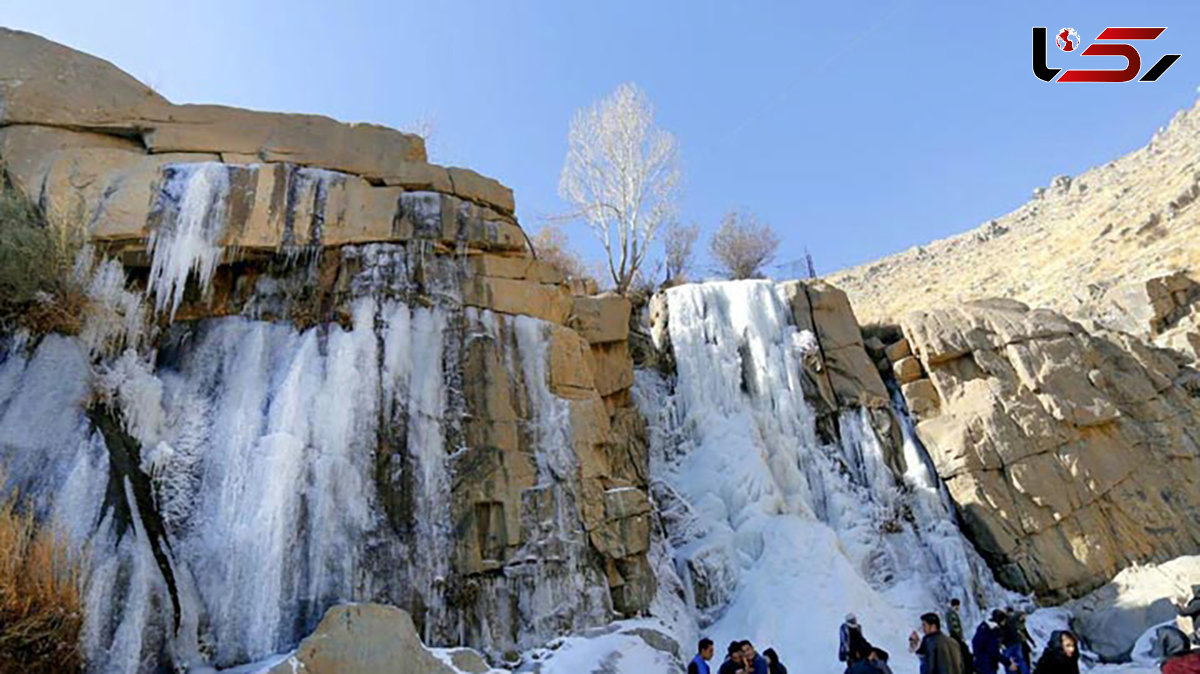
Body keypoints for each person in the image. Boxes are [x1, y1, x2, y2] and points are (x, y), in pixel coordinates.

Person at [1001, 608, 1031, 674]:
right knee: (1021, 660)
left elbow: (1004, 634)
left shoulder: (1006, 622)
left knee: (1010, 661)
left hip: (1010, 644)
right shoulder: (1013, 620)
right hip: (1017, 642)